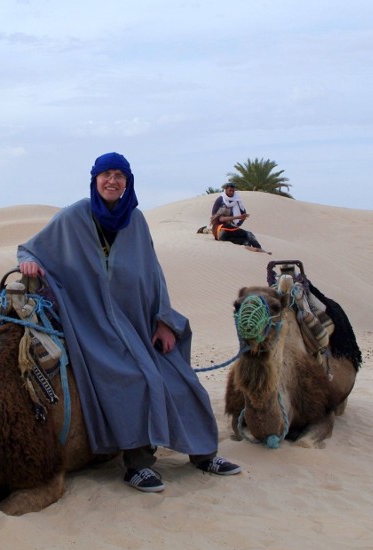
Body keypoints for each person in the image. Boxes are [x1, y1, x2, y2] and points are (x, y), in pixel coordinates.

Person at [17, 152, 241, 493]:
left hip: (138, 323)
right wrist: (29, 263)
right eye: (106, 174)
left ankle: (203, 454)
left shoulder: (135, 221)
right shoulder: (74, 217)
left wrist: (164, 321)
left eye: (119, 175)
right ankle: (137, 464)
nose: (112, 181)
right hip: (93, 327)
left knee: (180, 379)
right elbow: (30, 249)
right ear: (94, 179)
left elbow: (154, 274)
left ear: (128, 182)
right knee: (136, 379)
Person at [210, 182, 262, 249]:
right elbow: (220, 219)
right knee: (248, 234)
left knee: (245, 241)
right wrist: (238, 217)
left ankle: (250, 248)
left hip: (228, 232)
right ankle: (259, 248)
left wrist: (242, 219)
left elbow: (242, 215)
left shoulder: (237, 201)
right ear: (226, 190)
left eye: (233, 191)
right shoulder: (220, 200)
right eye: (230, 191)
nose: (231, 192)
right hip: (220, 229)